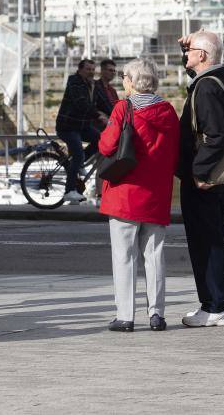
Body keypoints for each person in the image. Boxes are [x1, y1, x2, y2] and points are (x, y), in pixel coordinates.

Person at [99, 59, 179, 333]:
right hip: (156, 192)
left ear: (132, 82)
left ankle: (126, 316)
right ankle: (157, 314)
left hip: (125, 193)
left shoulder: (124, 108)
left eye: (124, 77)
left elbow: (107, 144)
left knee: (124, 256)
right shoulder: (168, 111)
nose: (122, 81)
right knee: (154, 254)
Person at [177, 30, 224, 328]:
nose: (186, 56)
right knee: (206, 240)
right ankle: (212, 303)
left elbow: (217, 136)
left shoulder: (207, 88)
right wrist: (186, 47)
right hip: (208, 177)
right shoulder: (217, 79)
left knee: (206, 242)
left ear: (202, 55)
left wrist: (199, 172)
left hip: (204, 180)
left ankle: (215, 305)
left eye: (190, 52)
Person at [55, 59, 109, 203]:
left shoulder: (93, 85)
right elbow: (81, 103)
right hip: (67, 126)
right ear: (80, 70)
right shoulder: (74, 82)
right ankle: (69, 191)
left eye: (93, 69)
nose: (91, 72)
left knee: (101, 140)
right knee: (78, 154)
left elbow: (104, 103)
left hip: (82, 126)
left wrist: (118, 114)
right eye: (88, 69)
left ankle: (78, 165)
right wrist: (98, 115)